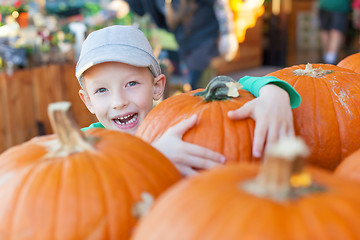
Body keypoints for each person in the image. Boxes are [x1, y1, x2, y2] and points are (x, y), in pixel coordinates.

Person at [75, 25, 301, 176]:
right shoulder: (85, 143)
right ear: (88, 101)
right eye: (102, 90)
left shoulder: (173, 118)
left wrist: (273, 92)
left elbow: (231, 89)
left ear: (157, 87)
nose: (119, 102)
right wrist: (156, 158)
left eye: (131, 84)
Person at [125, 0, 239, 89]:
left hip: (205, 35)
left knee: (198, 85)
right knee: (190, 82)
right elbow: (140, 8)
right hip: (183, 39)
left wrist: (227, 32)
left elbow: (218, 2)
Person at [318, 0, 351, 64]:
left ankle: (326, 56)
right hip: (339, 6)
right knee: (336, 31)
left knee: (325, 30)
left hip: (324, 4)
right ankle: (330, 59)